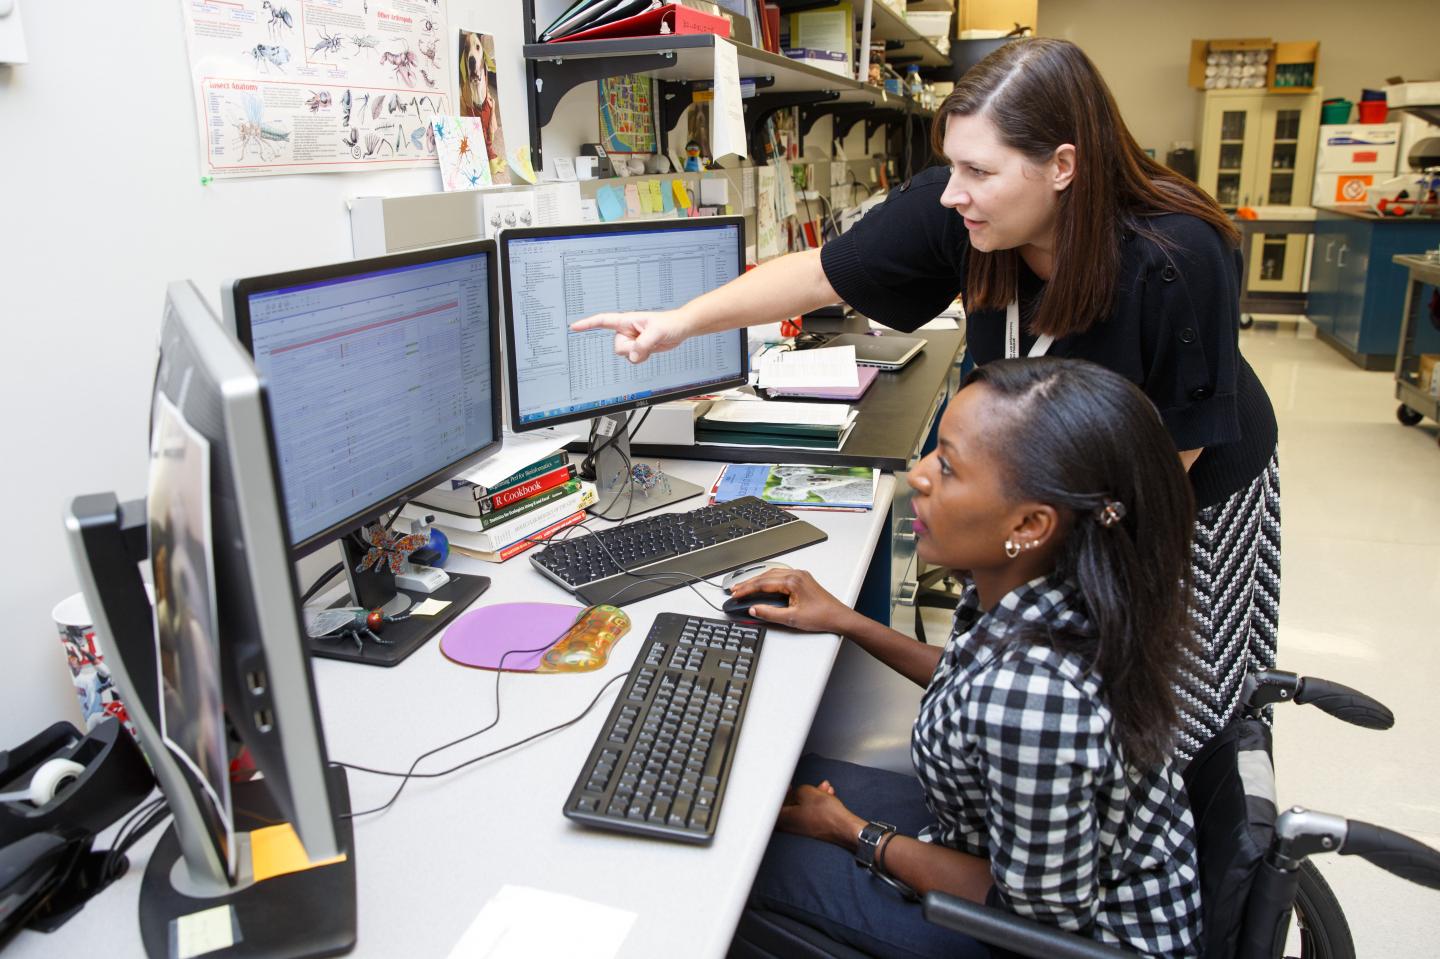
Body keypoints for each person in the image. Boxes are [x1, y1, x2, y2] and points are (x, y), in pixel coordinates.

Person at [572, 38, 1280, 759]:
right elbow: (822, 273)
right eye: (952, 165)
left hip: (1186, 485)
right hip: (1042, 484)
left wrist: (1065, 566)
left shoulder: (1176, 255)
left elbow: (1171, 457)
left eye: (979, 170)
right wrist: (678, 322)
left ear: (1063, 166)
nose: (952, 190)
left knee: (1161, 701)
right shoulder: (961, 213)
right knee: (1032, 677)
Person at [731, 357, 1203, 958]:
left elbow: (1036, 917)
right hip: (996, 845)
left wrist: (849, 830)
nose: (919, 476)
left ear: (1031, 524)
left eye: (948, 467)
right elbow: (968, 680)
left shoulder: (1035, 694)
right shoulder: (1048, 588)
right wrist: (847, 620)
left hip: (1051, 939)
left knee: (740, 864)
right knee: (761, 787)